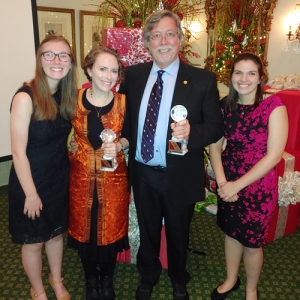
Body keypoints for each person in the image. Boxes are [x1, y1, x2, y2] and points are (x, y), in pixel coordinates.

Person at [118, 10, 224, 300]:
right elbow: (125, 121)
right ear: (147, 42)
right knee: (148, 230)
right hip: (143, 172)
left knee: (178, 233)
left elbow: (215, 127)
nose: (163, 41)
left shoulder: (202, 80)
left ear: (179, 39)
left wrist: (192, 132)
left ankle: (179, 279)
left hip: (179, 173)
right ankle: (148, 275)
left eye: (169, 34)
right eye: (156, 36)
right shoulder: (135, 76)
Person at [209, 53, 288, 300]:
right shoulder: (224, 106)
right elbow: (214, 147)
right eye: (238, 73)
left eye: (251, 73)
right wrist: (223, 184)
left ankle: (251, 290)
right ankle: (231, 279)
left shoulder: (274, 105)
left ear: (260, 78)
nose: (244, 79)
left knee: (252, 244)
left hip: (258, 184)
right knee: (231, 234)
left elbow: (274, 156)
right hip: (228, 178)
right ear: (231, 76)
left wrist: (235, 186)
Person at [8, 35, 77, 300]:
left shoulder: (65, 95)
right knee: (34, 241)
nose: (57, 61)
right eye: (49, 54)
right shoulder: (26, 97)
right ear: (39, 60)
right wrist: (31, 194)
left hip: (59, 176)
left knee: (56, 235)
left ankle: (56, 279)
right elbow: (17, 151)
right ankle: (37, 290)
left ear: (70, 63)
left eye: (63, 56)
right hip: (31, 180)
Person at [67, 46, 130, 300]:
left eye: (114, 71)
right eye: (102, 69)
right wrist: (71, 144)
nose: (108, 76)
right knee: (86, 233)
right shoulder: (73, 99)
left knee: (109, 233)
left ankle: (106, 279)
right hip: (81, 181)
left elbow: (133, 136)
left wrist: (120, 144)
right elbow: (62, 133)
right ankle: (90, 279)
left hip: (113, 182)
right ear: (90, 70)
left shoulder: (124, 103)